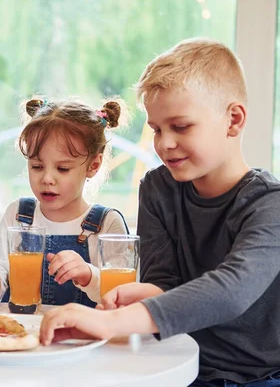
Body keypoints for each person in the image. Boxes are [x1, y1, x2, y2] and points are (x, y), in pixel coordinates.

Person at [39, 38, 280, 386]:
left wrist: (110, 323)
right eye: (156, 129)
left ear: (233, 120)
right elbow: (165, 284)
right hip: (175, 360)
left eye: (180, 126)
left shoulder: (269, 205)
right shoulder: (158, 189)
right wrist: (147, 293)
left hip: (257, 378)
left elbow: (229, 293)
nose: (164, 143)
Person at [0, 97, 129, 307]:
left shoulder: (107, 224)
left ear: (93, 165)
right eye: (36, 166)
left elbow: (121, 297)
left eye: (63, 169)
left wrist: (89, 275)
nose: (47, 179)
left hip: (81, 337)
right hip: (23, 334)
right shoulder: (18, 214)